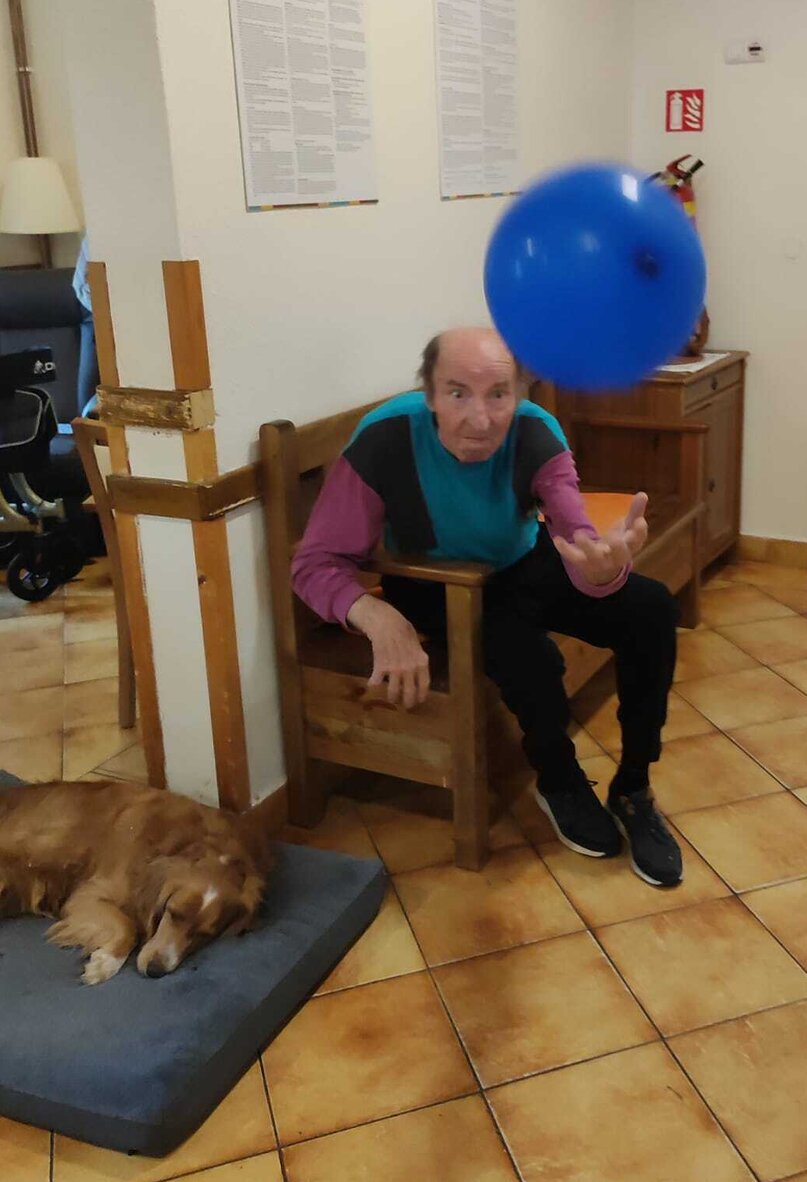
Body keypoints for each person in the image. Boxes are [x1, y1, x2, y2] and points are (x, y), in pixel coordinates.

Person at [291, 326, 683, 888]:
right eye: (457, 393)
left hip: (522, 560)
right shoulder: (384, 440)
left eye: (498, 394)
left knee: (650, 609)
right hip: (436, 583)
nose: (480, 419)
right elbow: (315, 562)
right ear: (429, 393)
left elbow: (575, 534)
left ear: (519, 394)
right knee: (527, 655)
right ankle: (558, 778)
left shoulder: (538, 433)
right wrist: (377, 616)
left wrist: (603, 571)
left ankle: (634, 786)